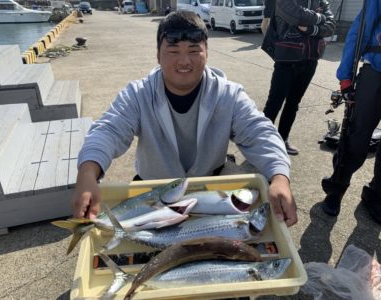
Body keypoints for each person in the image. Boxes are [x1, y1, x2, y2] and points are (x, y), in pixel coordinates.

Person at [71, 11, 298, 227]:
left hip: (211, 185)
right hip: (153, 192)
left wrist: (279, 176)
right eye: (173, 51)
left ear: (206, 52)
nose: (184, 61)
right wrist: (88, 172)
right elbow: (108, 130)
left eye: (193, 50)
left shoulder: (229, 95)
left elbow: (259, 132)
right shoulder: (138, 95)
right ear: (158, 54)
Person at [321, 1, 381, 224]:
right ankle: (336, 188)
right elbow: (359, 31)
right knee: (356, 137)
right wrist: (346, 78)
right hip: (376, 71)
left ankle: (376, 194)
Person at [261, 0, 335, 155]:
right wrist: (320, 18)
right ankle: (261, 140)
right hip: (286, 59)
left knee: (293, 103)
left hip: (310, 60)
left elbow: (331, 27)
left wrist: (310, 29)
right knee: (274, 102)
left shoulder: (322, 2)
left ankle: (283, 138)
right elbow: (295, 15)